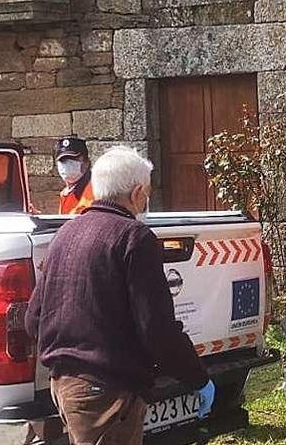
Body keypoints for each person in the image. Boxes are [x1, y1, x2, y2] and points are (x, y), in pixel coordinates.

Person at [25, 146, 216, 445]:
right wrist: (198, 378)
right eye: (147, 192)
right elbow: (157, 329)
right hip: (107, 390)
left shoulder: (65, 234)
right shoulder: (134, 238)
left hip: (65, 386)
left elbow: (33, 318)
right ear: (137, 192)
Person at [54, 136, 95, 215]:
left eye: (73, 159)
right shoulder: (65, 193)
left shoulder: (94, 190)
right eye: (63, 161)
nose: (67, 164)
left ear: (86, 163)